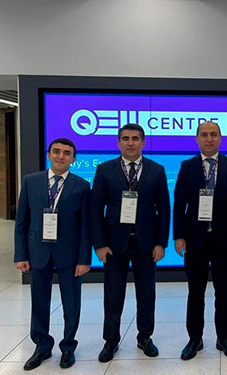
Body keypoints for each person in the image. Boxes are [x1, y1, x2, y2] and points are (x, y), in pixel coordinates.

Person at [89, 123, 170, 362]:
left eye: (135, 138)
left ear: (143, 142)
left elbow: (164, 209)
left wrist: (161, 243)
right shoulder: (105, 169)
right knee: (113, 294)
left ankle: (145, 337)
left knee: (146, 294)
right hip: (114, 245)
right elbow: (95, 209)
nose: (131, 143)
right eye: (125, 138)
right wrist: (99, 244)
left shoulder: (156, 170)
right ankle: (111, 340)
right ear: (118, 143)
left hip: (146, 244)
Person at [173, 121, 227, 360]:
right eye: (204, 135)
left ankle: (223, 338)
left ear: (220, 138)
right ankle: (195, 339)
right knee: (195, 292)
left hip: (224, 239)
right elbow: (179, 204)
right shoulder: (187, 166)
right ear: (197, 139)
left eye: (213, 134)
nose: (209, 139)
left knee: (223, 291)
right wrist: (178, 236)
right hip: (194, 240)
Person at [14, 138, 91, 370]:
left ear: (73, 159)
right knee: (39, 301)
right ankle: (42, 346)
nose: (61, 156)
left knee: (71, 302)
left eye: (67, 153)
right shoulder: (30, 181)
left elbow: (85, 225)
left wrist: (84, 259)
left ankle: (68, 347)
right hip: (37, 251)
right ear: (49, 154)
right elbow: (22, 220)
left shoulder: (82, 185)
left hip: (70, 254)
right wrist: (20, 254)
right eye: (56, 151)